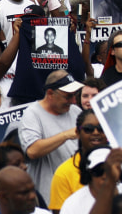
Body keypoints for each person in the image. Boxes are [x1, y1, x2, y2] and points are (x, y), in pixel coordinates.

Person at [19, 70, 83, 204]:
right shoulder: (32, 114)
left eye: (75, 95)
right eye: (68, 96)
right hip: (49, 198)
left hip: (76, 193)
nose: (73, 101)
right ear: (50, 94)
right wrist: (65, 135)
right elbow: (32, 151)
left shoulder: (76, 111)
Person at [49, 110, 108, 214]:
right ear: (77, 133)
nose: (95, 132)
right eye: (88, 129)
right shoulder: (64, 173)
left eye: (101, 128)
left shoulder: (121, 164)